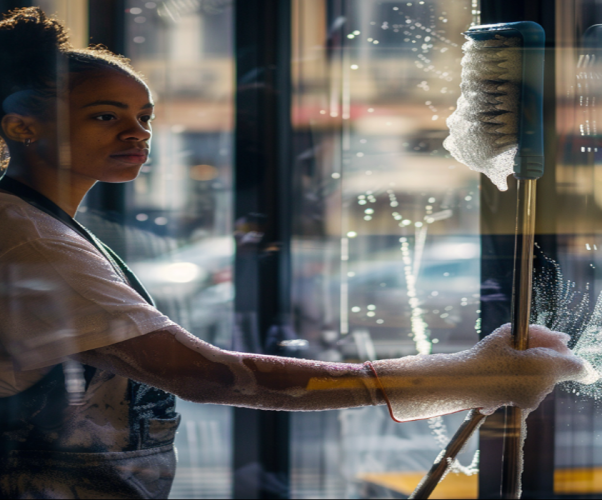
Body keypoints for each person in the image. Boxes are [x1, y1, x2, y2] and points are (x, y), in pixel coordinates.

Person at [0, 7, 592, 499]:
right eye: (105, 117)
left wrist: (469, 378)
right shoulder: (29, 239)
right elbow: (203, 375)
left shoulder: (48, 226)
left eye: (145, 117)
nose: (137, 133)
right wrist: (461, 378)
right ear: (22, 128)